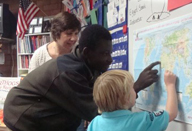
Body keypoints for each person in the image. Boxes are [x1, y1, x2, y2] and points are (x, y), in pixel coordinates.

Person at [3, 25, 160, 131]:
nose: (110, 59)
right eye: (105, 54)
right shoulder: (68, 73)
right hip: (24, 114)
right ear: (86, 53)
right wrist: (136, 86)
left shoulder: (91, 65)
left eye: (110, 53)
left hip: (48, 111)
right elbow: (101, 111)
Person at [87, 69, 178, 131]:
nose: (135, 90)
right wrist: (170, 85)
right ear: (126, 98)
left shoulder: (94, 123)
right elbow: (171, 114)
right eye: (132, 88)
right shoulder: (141, 120)